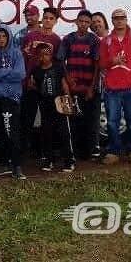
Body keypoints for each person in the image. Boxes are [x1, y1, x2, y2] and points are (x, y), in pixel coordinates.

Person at [99, 8, 131, 165]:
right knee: (112, 121)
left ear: (126, 19)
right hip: (112, 88)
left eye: (122, 17)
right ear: (112, 21)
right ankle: (114, 151)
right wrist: (112, 61)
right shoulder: (106, 41)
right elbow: (101, 64)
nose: (119, 20)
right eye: (116, 18)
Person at [57, 9, 102, 159]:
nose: (83, 24)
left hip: (89, 89)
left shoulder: (94, 40)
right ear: (76, 22)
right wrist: (68, 78)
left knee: (91, 121)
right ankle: (75, 151)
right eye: (81, 21)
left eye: (86, 22)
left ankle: (92, 150)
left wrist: (92, 87)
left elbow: (97, 65)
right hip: (73, 88)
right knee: (74, 121)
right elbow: (61, 60)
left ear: (90, 24)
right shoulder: (68, 39)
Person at [0, 26, 27, 179]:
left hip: (11, 98)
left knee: (11, 131)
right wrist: (8, 71)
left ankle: (16, 165)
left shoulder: (16, 53)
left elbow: (20, 74)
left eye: (4, 36)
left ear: (8, 37)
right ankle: (5, 163)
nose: (1, 39)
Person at [20, 6, 62, 159]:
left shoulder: (57, 40)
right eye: (46, 18)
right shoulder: (30, 36)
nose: (48, 21)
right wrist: (26, 78)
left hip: (47, 83)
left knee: (47, 119)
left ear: (56, 21)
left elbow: (57, 64)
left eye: (51, 18)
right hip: (30, 81)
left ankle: (46, 152)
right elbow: (24, 59)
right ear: (41, 19)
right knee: (27, 117)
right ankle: (22, 151)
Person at [30, 43, 75, 172]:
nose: (45, 57)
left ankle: (69, 160)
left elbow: (64, 84)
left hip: (60, 102)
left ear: (51, 55)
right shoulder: (36, 70)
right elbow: (32, 85)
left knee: (64, 133)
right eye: (42, 55)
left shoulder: (58, 67)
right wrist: (33, 86)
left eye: (47, 54)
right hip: (45, 104)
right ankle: (49, 160)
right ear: (38, 56)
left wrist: (68, 99)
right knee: (46, 133)